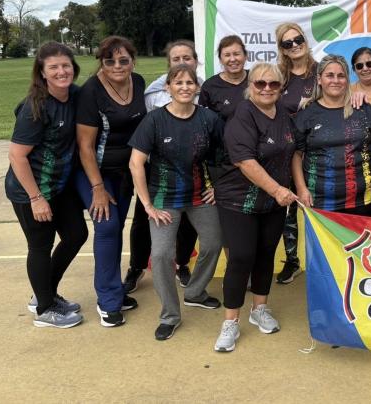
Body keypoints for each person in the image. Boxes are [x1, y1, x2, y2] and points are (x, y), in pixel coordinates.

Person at [128, 64, 223, 341]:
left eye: (190, 83)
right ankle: (170, 315)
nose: (184, 87)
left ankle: (194, 292)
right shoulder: (155, 120)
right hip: (163, 199)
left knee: (214, 243)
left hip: (198, 195)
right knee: (160, 255)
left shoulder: (209, 118)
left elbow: (224, 157)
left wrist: (216, 186)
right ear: (167, 87)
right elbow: (136, 164)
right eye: (178, 82)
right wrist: (147, 206)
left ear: (197, 88)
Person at [214, 63, 298, 352]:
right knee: (241, 257)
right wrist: (277, 190)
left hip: (274, 202)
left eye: (273, 84)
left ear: (280, 87)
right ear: (250, 86)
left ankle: (259, 309)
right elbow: (245, 162)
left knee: (265, 255)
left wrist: (296, 189)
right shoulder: (243, 116)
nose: (266, 89)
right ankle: (231, 322)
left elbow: (293, 152)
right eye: (260, 84)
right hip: (239, 200)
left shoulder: (284, 114)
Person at [6, 42, 88, 328]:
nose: (61, 71)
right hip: (30, 188)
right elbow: (17, 156)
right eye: (53, 67)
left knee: (77, 234)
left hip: (59, 185)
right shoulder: (35, 107)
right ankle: (44, 310)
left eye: (66, 65)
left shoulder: (75, 95)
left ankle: (45, 292)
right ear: (42, 73)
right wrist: (36, 198)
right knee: (40, 245)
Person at [75, 35, 146, 327]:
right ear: (101, 63)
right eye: (109, 61)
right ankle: (108, 302)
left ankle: (114, 290)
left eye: (123, 60)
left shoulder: (138, 82)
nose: (117, 66)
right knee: (107, 227)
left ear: (132, 61)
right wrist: (97, 188)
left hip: (125, 173)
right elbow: (85, 147)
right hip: (93, 173)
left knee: (117, 229)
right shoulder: (90, 91)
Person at [124, 40, 200, 295]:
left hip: (191, 171)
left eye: (187, 58)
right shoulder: (153, 93)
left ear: (196, 61)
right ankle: (136, 267)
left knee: (188, 222)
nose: (181, 63)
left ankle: (183, 263)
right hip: (157, 172)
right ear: (168, 64)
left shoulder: (202, 90)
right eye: (176, 59)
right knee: (144, 220)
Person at [292, 55, 371, 216]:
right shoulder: (307, 114)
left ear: (347, 79)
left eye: (341, 75)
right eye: (330, 75)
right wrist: (301, 189)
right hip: (320, 202)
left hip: (363, 200)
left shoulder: (363, 109)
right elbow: (296, 155)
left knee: (361, 242)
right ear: (319, 79)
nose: (335, 81)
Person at [274, 22, 318, 284]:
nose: (294, 45)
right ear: (282, 49)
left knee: (317, 207)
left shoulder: (321, 71)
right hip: (287, 150)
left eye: (297, 39)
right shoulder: (279, 75)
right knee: (288, 208)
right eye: (287, 43)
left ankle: (325, 261)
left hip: (318, 149)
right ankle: (292, 261)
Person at [200, 35, 250, 121]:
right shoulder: (210, 86)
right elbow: (204, 120)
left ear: (245, 56)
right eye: (227, 55)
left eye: (236, 54)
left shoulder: (257, 79)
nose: (233, 59)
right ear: (220, 59)